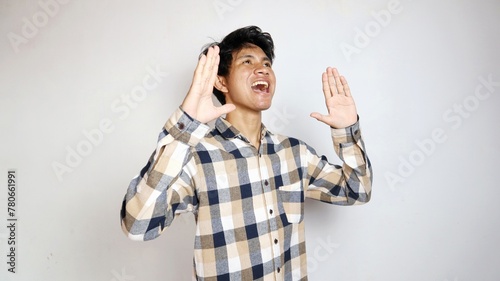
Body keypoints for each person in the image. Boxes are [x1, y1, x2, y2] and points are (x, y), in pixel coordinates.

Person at [120, 25, 372, 280]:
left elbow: (358, 190)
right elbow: (138, 224)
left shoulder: (294, 153)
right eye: (247, 61)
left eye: (266, 63)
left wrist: (347, 131)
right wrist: (187, 123)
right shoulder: (196, 156)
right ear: (221, 81)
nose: (262, 69)